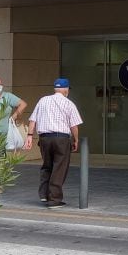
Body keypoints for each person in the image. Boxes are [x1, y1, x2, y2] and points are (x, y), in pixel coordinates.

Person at [25, 78, 82, 208]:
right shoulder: (69, 103)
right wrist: (76, 139)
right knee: (59, 168)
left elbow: (32, 120)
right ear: (66, 90)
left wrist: (29, 135)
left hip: (44, 138)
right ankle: (54, 199)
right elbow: (74, 126)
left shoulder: (42, 100)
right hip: (61, 139)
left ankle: (44, 195)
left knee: (46, 165)